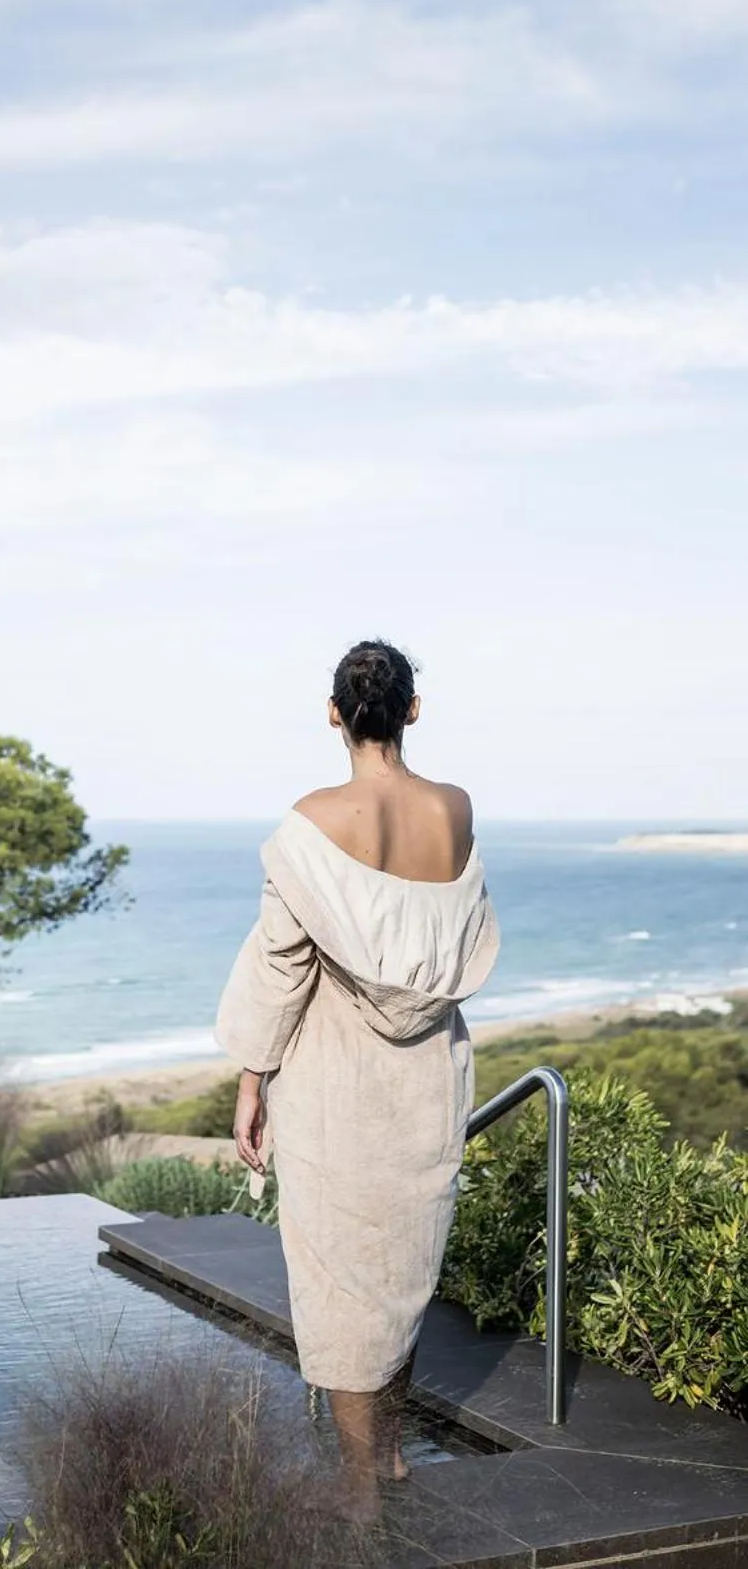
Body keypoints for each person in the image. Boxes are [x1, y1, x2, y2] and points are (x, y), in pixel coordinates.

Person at [214, 639, 499, 1521]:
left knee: (344, 1283)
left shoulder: (308, 825)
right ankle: (394, 1458)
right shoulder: (454, 811)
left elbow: (281, 965)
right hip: (427, 1079)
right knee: (402, 1272)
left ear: (334, 713)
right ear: (411, 709)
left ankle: (358, 1487)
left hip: (334, 1082)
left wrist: (251, 1082)